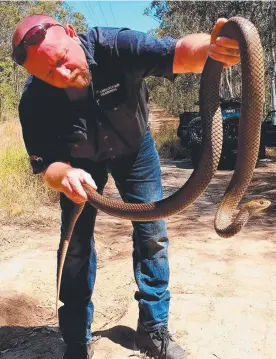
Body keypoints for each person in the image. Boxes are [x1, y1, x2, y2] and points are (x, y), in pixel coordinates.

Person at [12, 14, 239, 359]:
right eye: (47, 73)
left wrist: (213, 49)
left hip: (135, 150)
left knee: (152, 234)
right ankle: (75, 339)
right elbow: (47, 166)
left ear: (72, 34)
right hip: (78, 164)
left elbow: (180, 53)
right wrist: (65, 176)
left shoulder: (114, 46)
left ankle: (153, 330)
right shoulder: (34, 101)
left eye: (61, 60)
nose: (61, 75)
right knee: (75, 244)